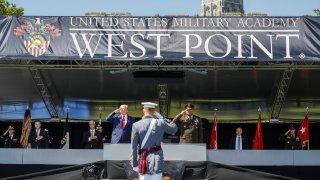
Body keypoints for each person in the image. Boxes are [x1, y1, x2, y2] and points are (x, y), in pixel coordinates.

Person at [131, 102, 178, 180]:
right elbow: (174, 128)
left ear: (143, 110)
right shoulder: (161, 122)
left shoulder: (136, 125)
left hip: (143, 160)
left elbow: (133, 147)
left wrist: (134, 164)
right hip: (157, 159)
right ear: (154, 111)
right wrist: (162, 117)